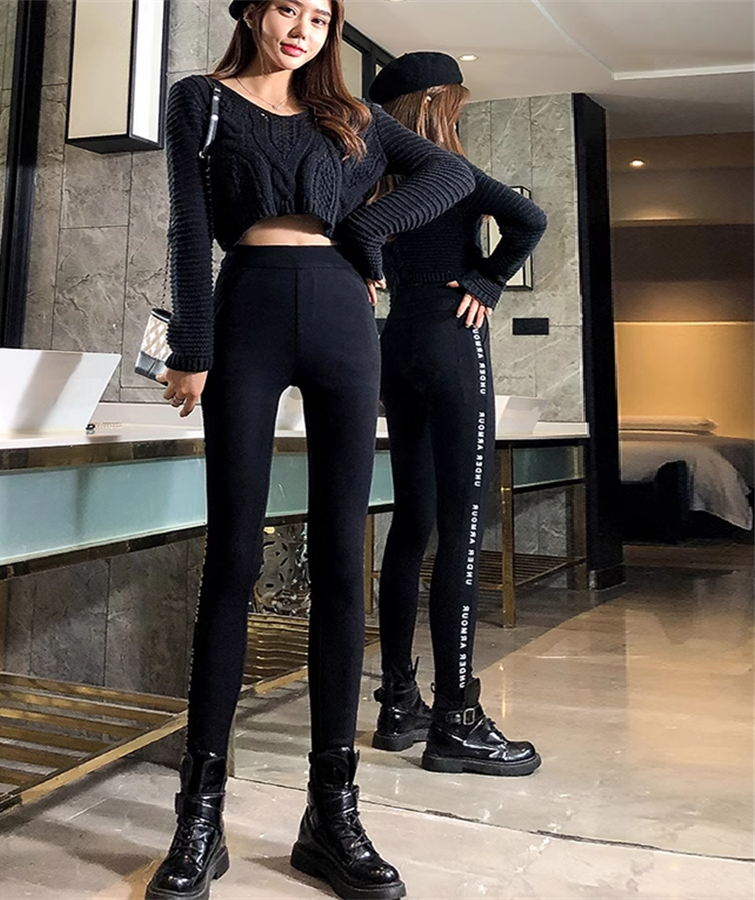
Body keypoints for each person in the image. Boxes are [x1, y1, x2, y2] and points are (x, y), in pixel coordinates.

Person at [146, 9, 476, 900]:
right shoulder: (202, 100)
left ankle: (331, 813)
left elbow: (450, 173)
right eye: (288, 8)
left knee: (339, 559)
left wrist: (368, 234)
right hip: (246, 308)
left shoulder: (353, 116)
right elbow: (187, 227)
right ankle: (200, 815)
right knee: (234, 559)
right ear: (253, 10)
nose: (302, 28)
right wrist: (191, 343)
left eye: (321, 15)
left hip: (340, 314)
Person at [367, 52, 547, 777]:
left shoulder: (372, 177)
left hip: (395, 343)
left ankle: (398, 704)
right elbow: (530, 219)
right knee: (463, 529)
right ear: (433, 104)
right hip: (451, 338)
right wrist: (489, 281)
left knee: (410, 525)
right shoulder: (454, 172)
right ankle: (457, 721)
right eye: (456, 104)